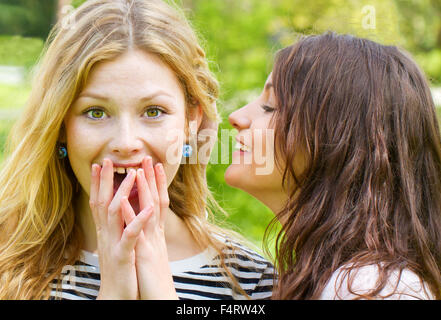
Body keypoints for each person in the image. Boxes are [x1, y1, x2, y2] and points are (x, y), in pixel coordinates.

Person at [0, 0, 274, 300]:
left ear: (191, 120)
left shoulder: (252, 283)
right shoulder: (7, 264)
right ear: (61, 125)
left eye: (153, 111)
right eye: (95, 112)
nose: (126, 142)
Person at [226, 32, 441, 299]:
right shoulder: (325, 277)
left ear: (337, 140)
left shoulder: (375, 288)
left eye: (270, 107)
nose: (236, 117)